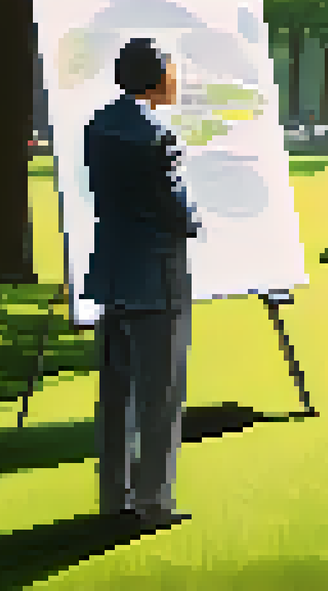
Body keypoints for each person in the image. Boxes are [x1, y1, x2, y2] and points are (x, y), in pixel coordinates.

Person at [83, 37, 200, 530]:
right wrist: (194, 219)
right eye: (172, 69)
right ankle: (153, 501)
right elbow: (174, 209)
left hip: (114, 271)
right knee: (160, 395)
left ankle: (115, 496)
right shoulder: (159, 135)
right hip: (158, 277)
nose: (177, 77)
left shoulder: (98, 126)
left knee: (116, 396)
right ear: (155, 76)